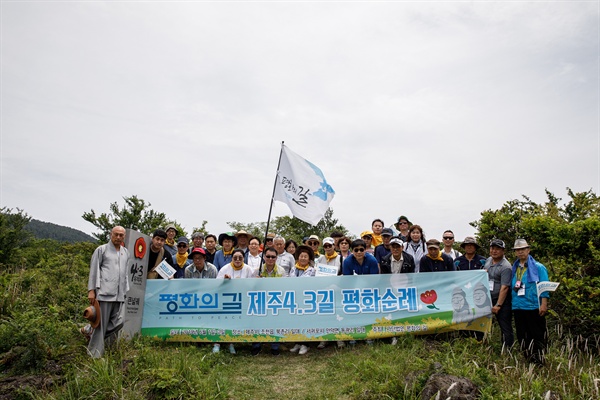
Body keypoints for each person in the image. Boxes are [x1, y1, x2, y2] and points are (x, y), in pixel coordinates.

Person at [86, 226, 129, 358]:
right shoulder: (102, 250)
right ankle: (94, 355)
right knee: (101, 325)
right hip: (104, 292)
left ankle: (89, 330)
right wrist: (92, 290)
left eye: (121, 235)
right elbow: (94, 271)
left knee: (119, 322)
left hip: (120, 294)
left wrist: (126, 289)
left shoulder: (125, 252)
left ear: (124, 237)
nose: (118, 237)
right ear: (111, 234)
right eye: (116, 234)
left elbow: (125, 273)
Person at [511, 239, 549, 364]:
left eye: (523, 249)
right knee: (522, 335)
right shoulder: (515, 267)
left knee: (537, 335)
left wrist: (544, 304)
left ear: (528, 250)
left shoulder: (538, 267)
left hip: (533, 306)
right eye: (518, 250)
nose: (520, 252)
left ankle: (539, 361)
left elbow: (544, 286)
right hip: (518, 306)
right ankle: (528, 360)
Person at [215, 249, 254, 354]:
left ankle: (231, 343)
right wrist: (225, 280)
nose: (237, 260)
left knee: (234, 322)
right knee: (223, 321)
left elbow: (253, 285)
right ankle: (217, 343)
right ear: (231, 258)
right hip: (227, 299)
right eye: (235, 257)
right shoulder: (225, 268)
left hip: (244, 301)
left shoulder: (248, 269)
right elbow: (217, 284)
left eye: (240, 258)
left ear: (243, 258)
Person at [251, 247, 286, 356]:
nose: (270, 259)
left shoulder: (281, 271)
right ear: (264, 257)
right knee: (257, 323)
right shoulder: (257, 270)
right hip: (260, 301)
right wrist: (256, 281)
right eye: (268, 256)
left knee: (276, 323)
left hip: (275, 301)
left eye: (273, 257)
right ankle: (256, 346)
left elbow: (285, 286)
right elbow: (251, 287)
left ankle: (275, 347)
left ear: (276, 258)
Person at [484, 239, 514, 348]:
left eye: (497, 249)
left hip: (502, 302)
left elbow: (505, 287)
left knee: (505, 326)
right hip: (488, 299)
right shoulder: (488, 260)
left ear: (503, 251)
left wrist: (498, 305)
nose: (494, 251)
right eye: (492, 248)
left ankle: (507, 350)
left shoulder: (506, 267)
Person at [314, 237, 342, 350]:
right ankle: (324, 339)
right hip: (323, 290)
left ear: (334, 246)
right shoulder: (320, 259)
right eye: (325, 246)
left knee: (337, 314)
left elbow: (343, 273)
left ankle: (339, 339)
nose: (328, 248)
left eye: (330, 245)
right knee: (324, 314)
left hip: (335, 290)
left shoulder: (340, 258)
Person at [289, 245, 316, 355]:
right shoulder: (293, 269)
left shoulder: (313, 271)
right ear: (298, 257)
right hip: (295, 298)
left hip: (307, 299)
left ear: (309, 259)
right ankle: (298, 342)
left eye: (306, 256)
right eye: (301, 256)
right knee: (296, 321)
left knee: (306, 321)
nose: (303, 258)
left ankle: (306, 344)